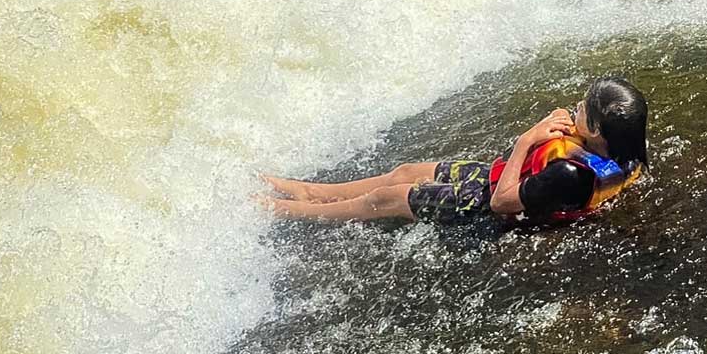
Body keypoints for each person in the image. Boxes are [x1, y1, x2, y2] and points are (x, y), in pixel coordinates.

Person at [259, 76, 648, 226]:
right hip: (502, 176)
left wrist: (526, 140)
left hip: (487, 201)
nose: (574, 109)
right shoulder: (626, 150)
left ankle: (294, 211)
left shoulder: (573, 173)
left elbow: (501, 204)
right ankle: (313, 190)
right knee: (405, 171)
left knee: (387, 198)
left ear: (597, 130)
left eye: (582, 110)